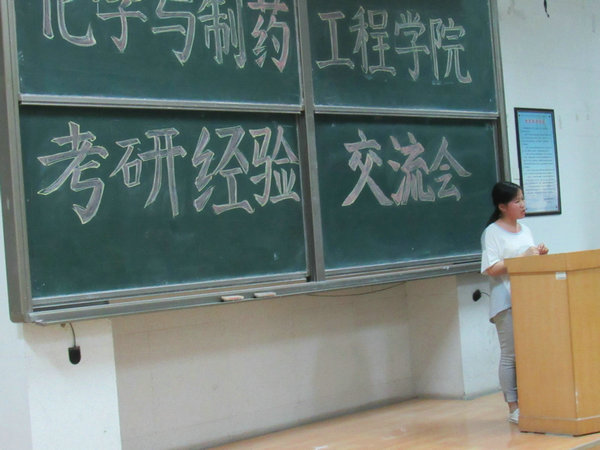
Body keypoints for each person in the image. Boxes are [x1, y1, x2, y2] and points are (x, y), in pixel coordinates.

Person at [480, 181, 548, 424]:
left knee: (530, 351)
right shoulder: (492, 232)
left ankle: (533, 400)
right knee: (511, 355)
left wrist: (539, 255)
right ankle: (513, 407)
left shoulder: (525, 230)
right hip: (505, 300)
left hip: (528, 298)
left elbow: (527, 262)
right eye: (517, 201)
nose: (523, 205)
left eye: (523, 199)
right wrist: (521, 257)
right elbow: (491, 268)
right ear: (502, 206)